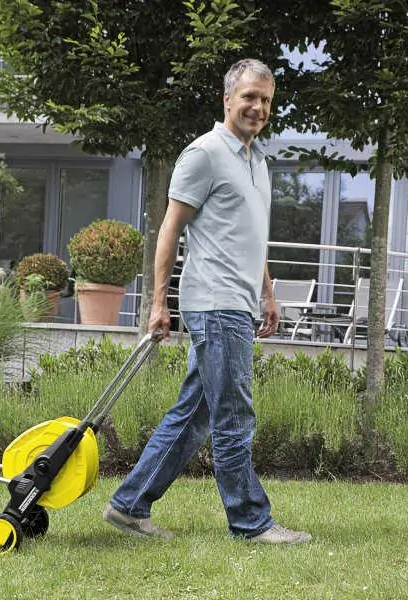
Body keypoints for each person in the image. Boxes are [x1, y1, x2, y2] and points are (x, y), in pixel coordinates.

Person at [103, 58, 312, 544]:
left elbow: (251, 236)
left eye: (265, 100)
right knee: (234, 416)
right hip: (215, 303)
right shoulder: (204, 154)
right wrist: (159, 302)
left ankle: (129, 505)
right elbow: (169, 229)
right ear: (227, 99)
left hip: (239, 302)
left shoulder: (258, 162)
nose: (258, 107)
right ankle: (252, 522)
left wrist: (268, 293)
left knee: (195, 415)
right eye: (249, 97)